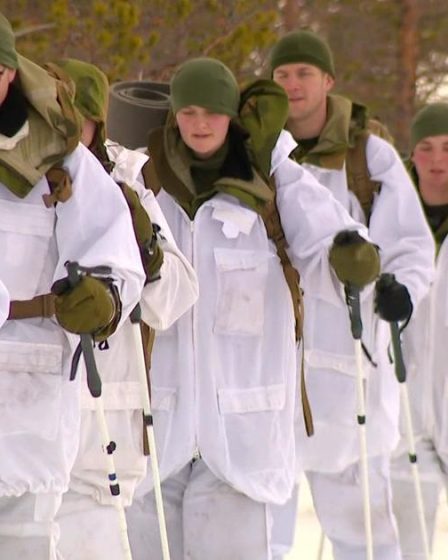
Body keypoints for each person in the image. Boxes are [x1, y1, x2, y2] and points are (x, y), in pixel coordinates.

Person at [125, 56, 383, 560]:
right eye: (190, 111)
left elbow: (329, 242)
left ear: (233, 116)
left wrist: (351, 257)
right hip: (160, 430)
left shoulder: (269, 181)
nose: (201, 125)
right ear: (174, 113)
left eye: (214, 113)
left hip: (242, 432)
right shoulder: (144, 181)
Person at [269, 29, 435, 559]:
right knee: (261, 524)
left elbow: (410, 243)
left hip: (351, 364)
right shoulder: (257, 150)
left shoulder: (368, 156)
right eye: (282, 75)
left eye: (303, 74)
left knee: (363, 529)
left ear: (328, 81)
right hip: (272, 364)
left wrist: (402, 292)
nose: (292, 85)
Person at [40, 58, 199, 560]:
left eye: (79, 119)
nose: (68, 132)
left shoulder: (125, 180)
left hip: (101, 424)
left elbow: (174, 297)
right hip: (26, 418)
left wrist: (146, 250)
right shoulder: (17, 176)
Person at [0, 13, 146, 559]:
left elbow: (114, 250)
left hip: (26, 412)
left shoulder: (58, 157)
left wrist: (103, 297)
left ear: (11, 73)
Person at [390, 102, 448, 559]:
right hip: (405, 415)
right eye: (425, 148)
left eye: (447, 148)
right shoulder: (394, 224)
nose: (436, 159)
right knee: (406, 541)